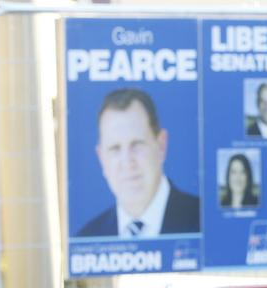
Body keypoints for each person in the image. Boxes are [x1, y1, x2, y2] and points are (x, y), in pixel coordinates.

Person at [76, 88, 200, 237]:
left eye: (137, 145)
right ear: (101, 158)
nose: (127, 162)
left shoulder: (204, 221)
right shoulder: (88, 238)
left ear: (161, 146)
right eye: (115, 148)